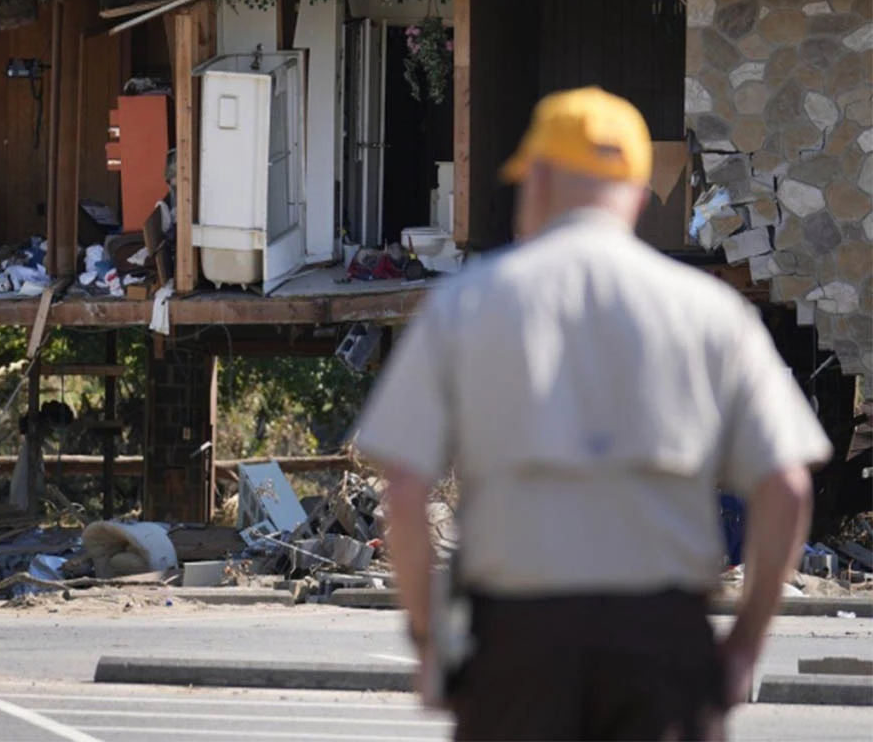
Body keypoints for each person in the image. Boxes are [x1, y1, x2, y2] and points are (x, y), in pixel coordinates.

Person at [352, 86, 833, 741]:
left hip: (518, 647)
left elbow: (404, 494)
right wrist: (744, 646)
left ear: (540, 180)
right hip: (662, 649)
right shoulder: (712, 313)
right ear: (636, 194)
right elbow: (786, 486)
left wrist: (430, 642)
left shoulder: (466, 305)